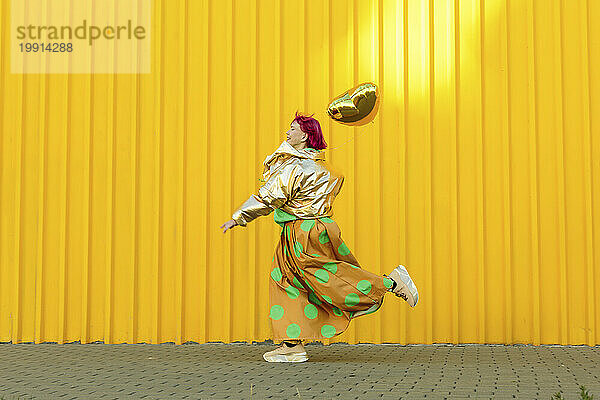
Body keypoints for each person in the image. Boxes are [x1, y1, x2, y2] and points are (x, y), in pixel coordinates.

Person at [220, 111, 419, 363]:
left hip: (301, 229)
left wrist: (238, 217)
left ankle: (390, 282)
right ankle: (292, 344)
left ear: (305, 135)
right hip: (321, 226)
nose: (287, 133)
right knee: (286, 279)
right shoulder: (329, 169)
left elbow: (268, 197)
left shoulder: (295, 167)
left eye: (292, 129)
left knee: (326, 277)